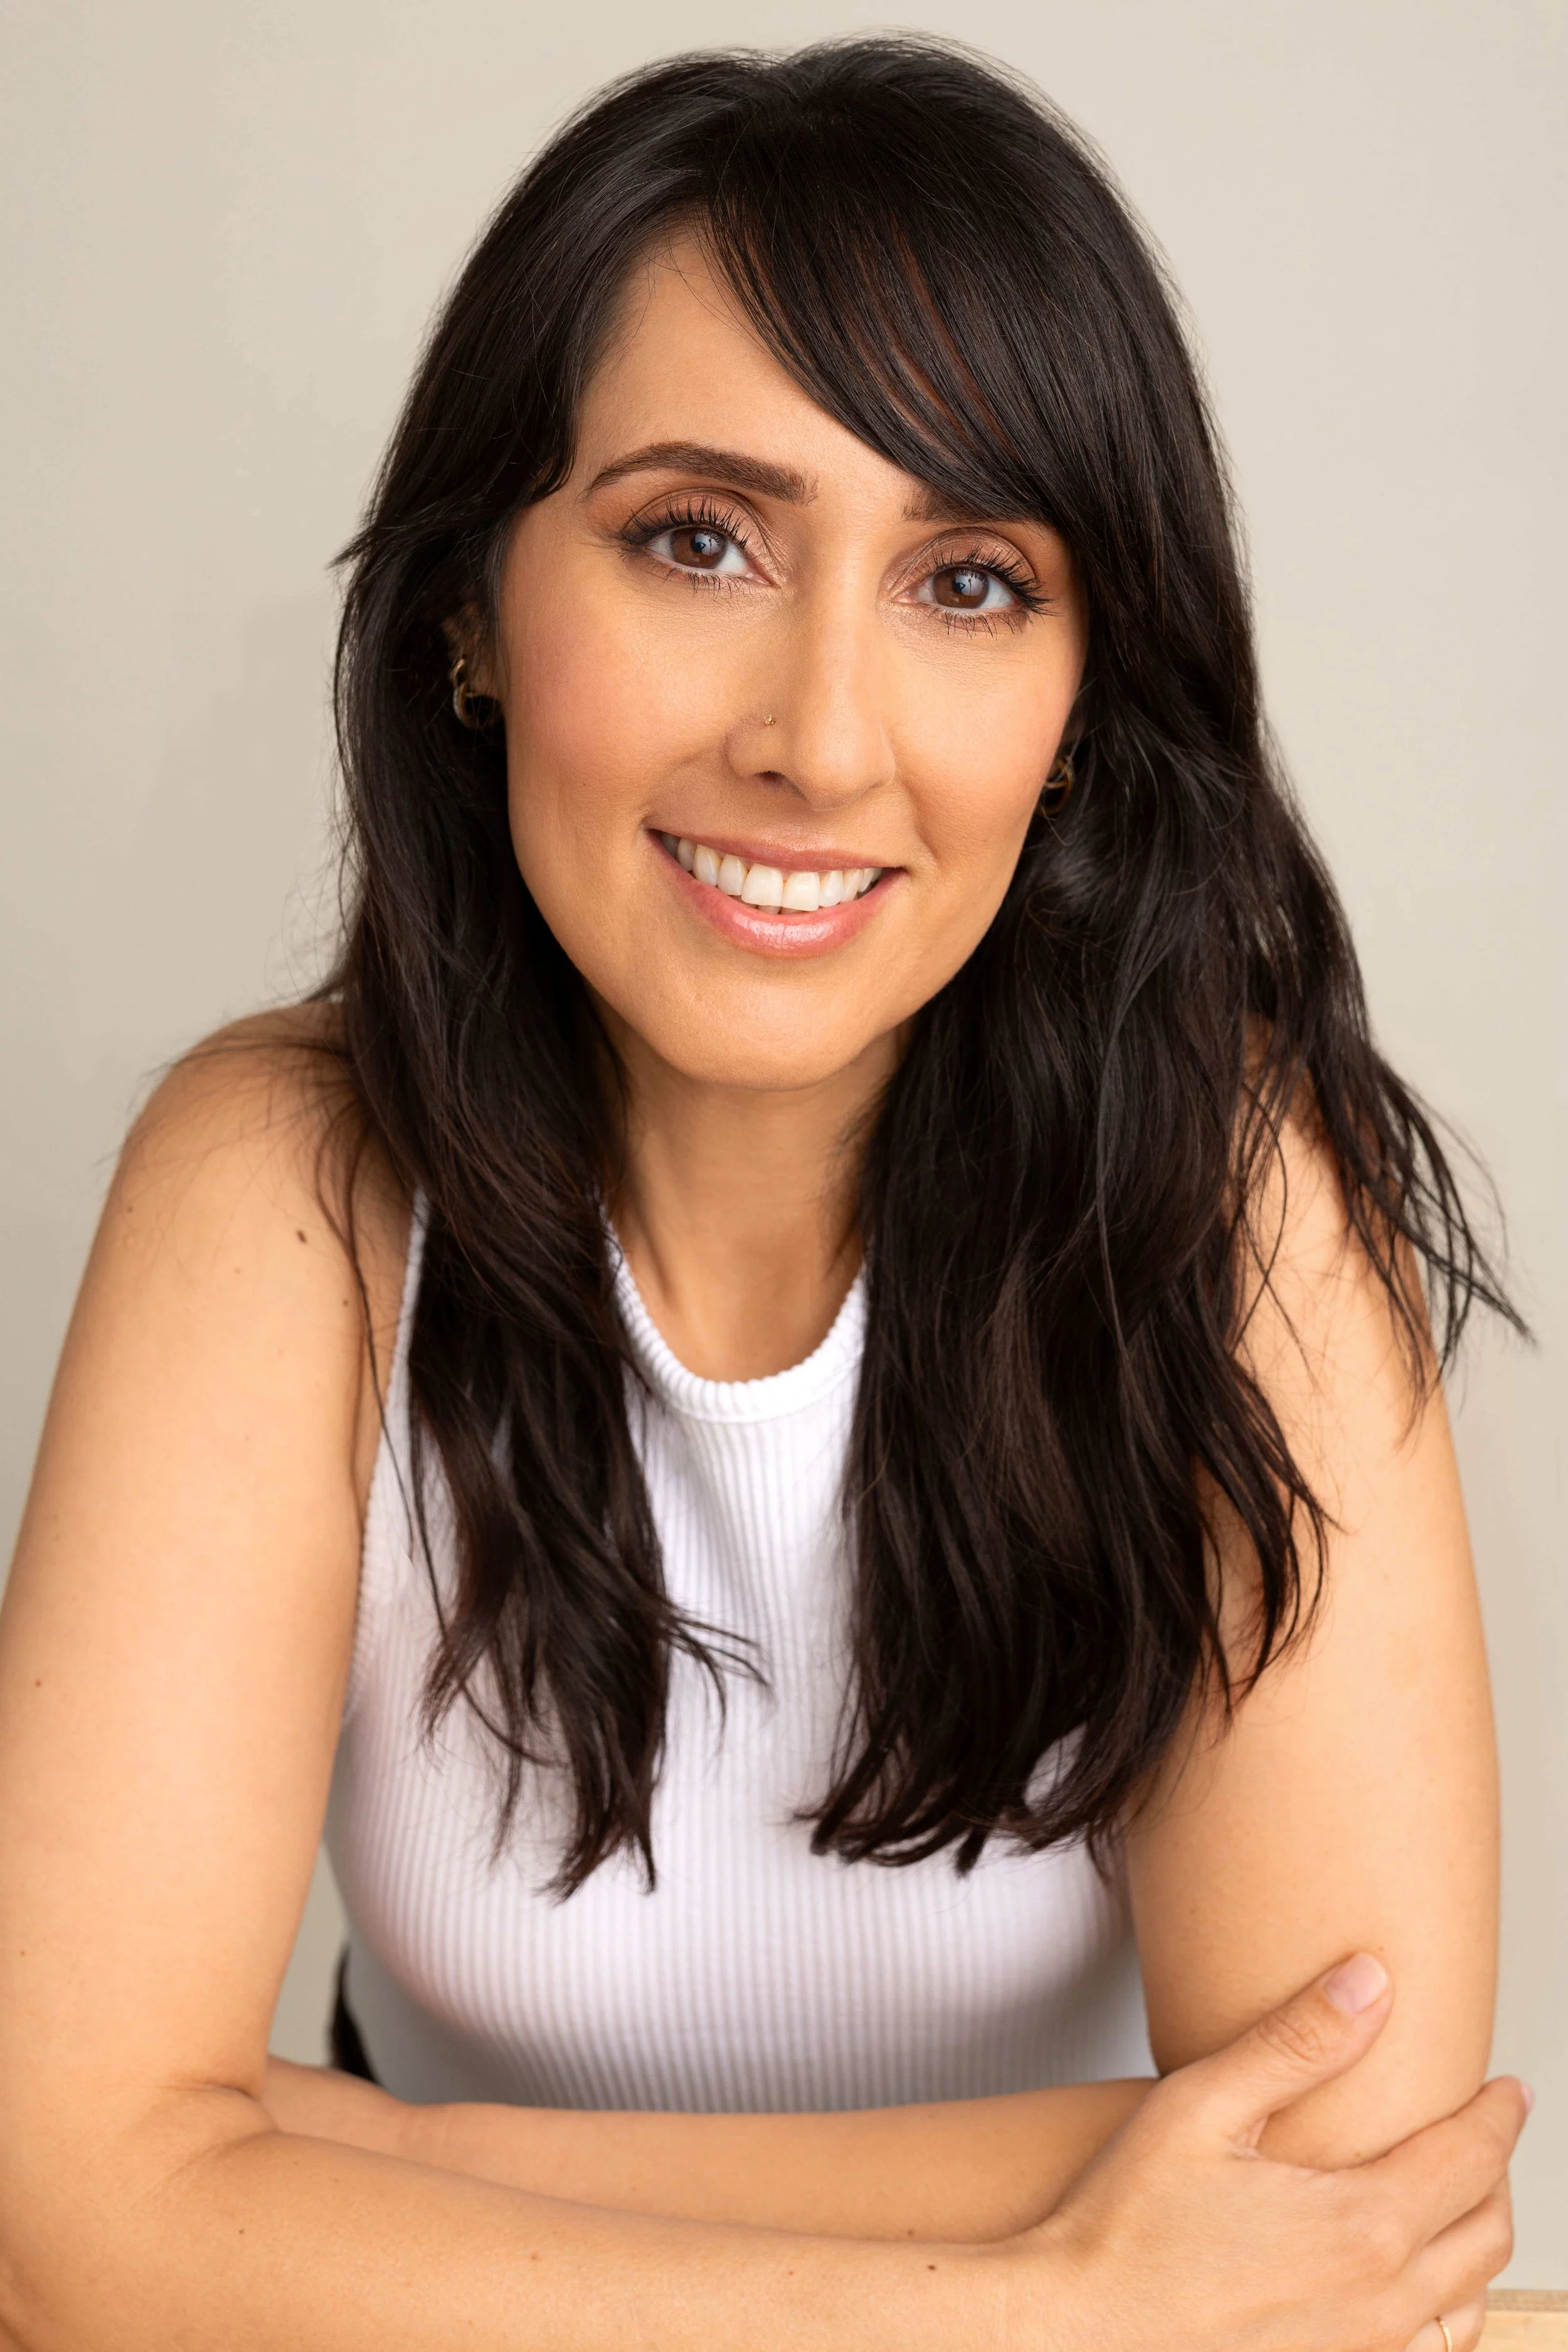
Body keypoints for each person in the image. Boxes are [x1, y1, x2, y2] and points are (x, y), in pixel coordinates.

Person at [0, 37, 1527, 2352]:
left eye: (970, 582)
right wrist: (1042, 2305)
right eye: (695, 539)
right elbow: (60, 2229)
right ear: (466, 620)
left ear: (1086, 697)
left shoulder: (1234, 1202)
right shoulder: (280, 1191)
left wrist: (337, 2166)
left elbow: (1359, 2170)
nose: (820, 735)